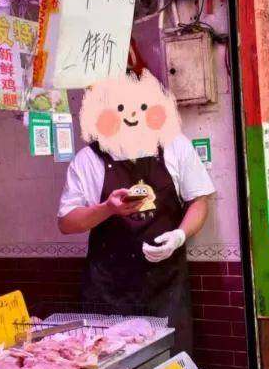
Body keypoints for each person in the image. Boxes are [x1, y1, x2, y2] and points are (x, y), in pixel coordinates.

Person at [58, 72, 214, 353]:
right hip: (108, 291)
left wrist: (179, 236)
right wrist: (107, 208)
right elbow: (67, 223)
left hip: (165, 288)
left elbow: (199, 201)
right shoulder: (89, 160)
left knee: (170, 368)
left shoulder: (174, 146)